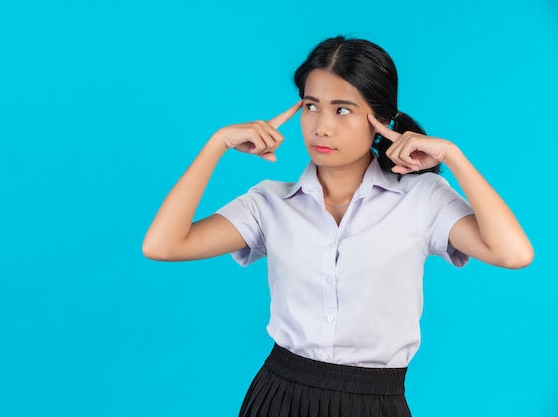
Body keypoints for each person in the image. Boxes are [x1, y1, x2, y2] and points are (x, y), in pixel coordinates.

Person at [142, 36, 533, 417]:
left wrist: (454, 156)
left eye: (342, 110)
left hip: (374, 401)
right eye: (311, 106)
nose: (321, 127)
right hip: (277, 395)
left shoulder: (422, 198)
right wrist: (217, 144)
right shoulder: (270, 203)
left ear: (381, 119)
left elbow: (513, 253)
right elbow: (163, 245)